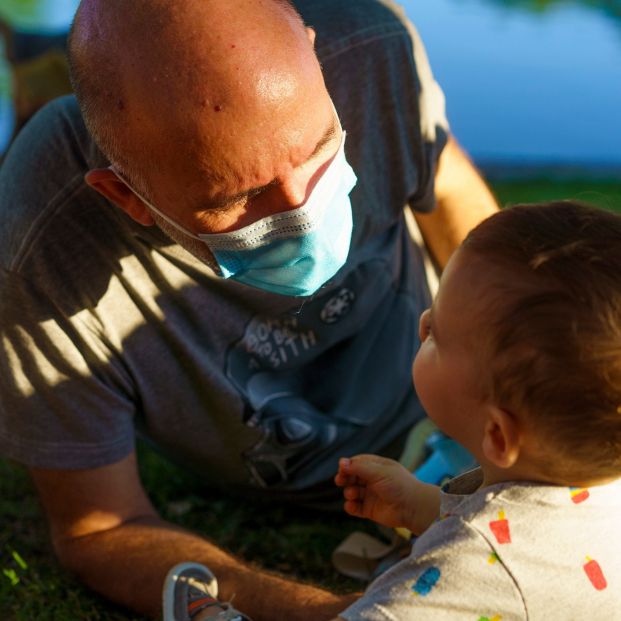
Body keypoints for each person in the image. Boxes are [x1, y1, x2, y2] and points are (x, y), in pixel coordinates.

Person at [0, 0, 498, 619]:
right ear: (126, 197)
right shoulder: (38, 246)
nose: (303, 212)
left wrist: (522, 368)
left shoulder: (373, 46)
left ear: (313, 55)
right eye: (243, 198)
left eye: (318, 146)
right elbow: (99, 527)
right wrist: (326, 613)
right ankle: (39, 74)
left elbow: (449, 186)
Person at [334, 201, 621, 620]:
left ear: (498, 436)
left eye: (439, 336)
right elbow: (532, 535)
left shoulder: (460, 578)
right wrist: (423, 507)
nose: (423, 323)